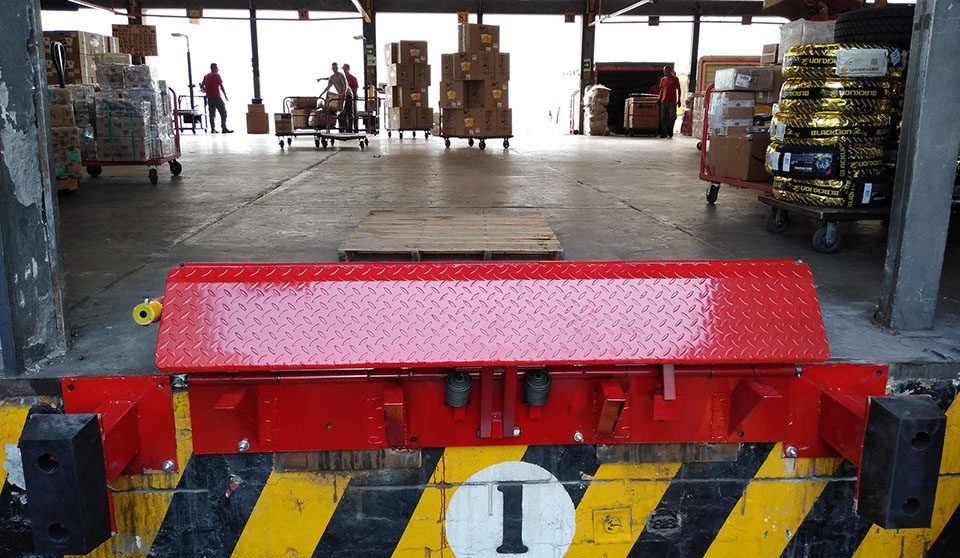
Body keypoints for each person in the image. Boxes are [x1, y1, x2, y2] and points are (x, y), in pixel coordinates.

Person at [200, 63, 232, 134]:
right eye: (217, 68)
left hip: (209, 97)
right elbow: (221, 86)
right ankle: (224, 128)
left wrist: (205, 90)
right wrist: (225, 95)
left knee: (212, 114)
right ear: (214, 68)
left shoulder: (206, 76)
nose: (218, 69)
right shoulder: (217, 75)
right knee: (223, 112)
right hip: (216, 96)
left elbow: (201, 86)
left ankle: (212, 129)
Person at [318, 63, 347, 132]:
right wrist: (321, 95)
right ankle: (342, 129)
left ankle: (347, 128)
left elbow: (345, 85)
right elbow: (328, 87)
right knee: (340, 111)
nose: (335, 69)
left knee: (347, 112)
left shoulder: (341, 75)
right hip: (340, 95)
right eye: (333, 68)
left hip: (346, 94)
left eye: (336, 68)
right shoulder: (332, 77)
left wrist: (344, 93)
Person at [657, 65, 682, 138]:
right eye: (664, 71)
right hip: (664, 101)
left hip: (672, 101)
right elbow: (661, 90)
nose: (664, 72)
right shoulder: (663, 79)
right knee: (663, 117)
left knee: (672, 116)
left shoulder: (675, 79)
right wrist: (659, 98)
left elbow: (679, 89)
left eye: (666, 71)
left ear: (670, 70)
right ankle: (664, 132)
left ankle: (670, 130)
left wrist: (679, 100)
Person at [342, 63, 359, 133]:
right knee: (344, 112)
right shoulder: (342, 78)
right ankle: (345, 127)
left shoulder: (353, 78)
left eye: (345, 69)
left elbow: (355, 89)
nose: (344, 71)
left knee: (353, 112)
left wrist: (349, 92)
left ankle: (355, 127)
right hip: (345, 97)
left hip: (352, 96)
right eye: (343, 70)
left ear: (348, 69)